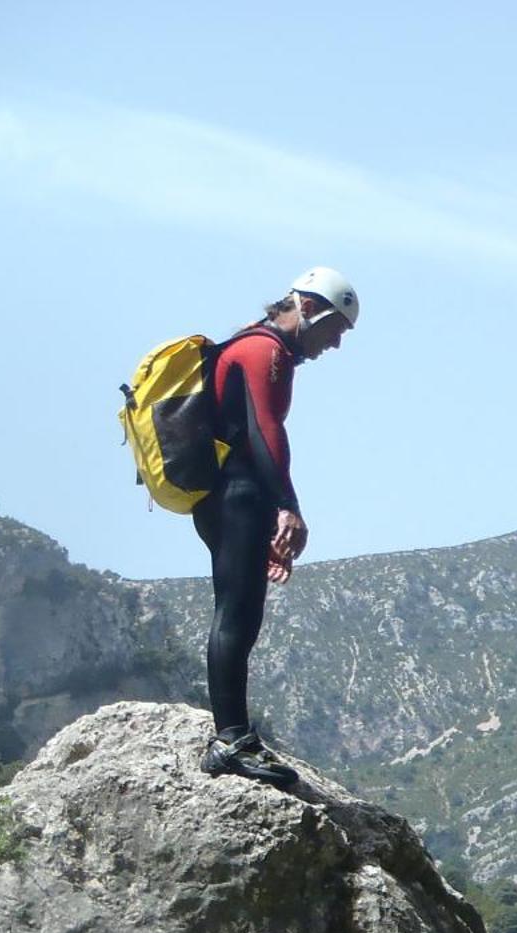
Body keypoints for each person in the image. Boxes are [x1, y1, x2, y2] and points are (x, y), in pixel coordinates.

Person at [197, 267, 359, 788]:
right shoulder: (265, 352)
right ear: (310, 308)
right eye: (334, 330)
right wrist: (288, 506)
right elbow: (266, 434)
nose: (333, 345)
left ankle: (234, 735)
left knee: (241, 612)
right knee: (236, 614)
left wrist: (271, 520)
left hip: (231, 495)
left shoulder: (251, 344)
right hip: (237, 493)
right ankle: (230, 741)